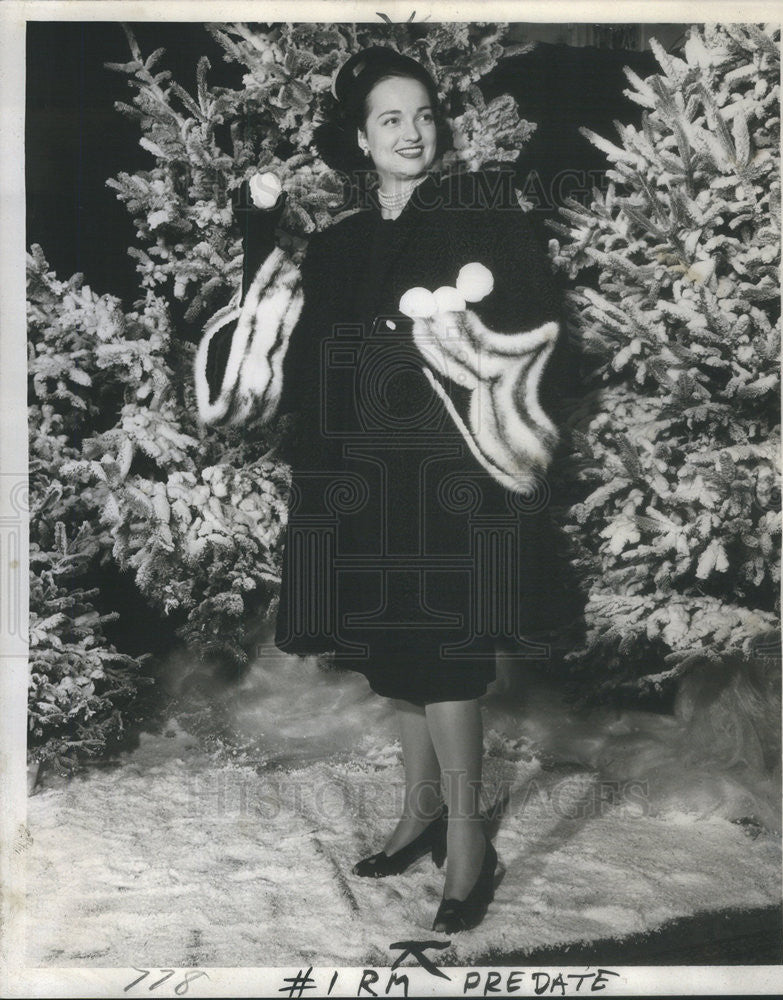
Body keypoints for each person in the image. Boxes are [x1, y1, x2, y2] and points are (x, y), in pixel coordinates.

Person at [195, 46, 574, 934]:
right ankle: (421, 812)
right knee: (397, 653)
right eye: (391, 120)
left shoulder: (482, 214)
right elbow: (274, 313)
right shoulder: (341, 243)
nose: (412, 133)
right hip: (364, 477)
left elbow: (535, 320)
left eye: (424, 116)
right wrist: (257, 217)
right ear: (362, 140)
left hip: (448, 477)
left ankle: (471, 843)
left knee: (448, 654)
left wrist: (461, 323)